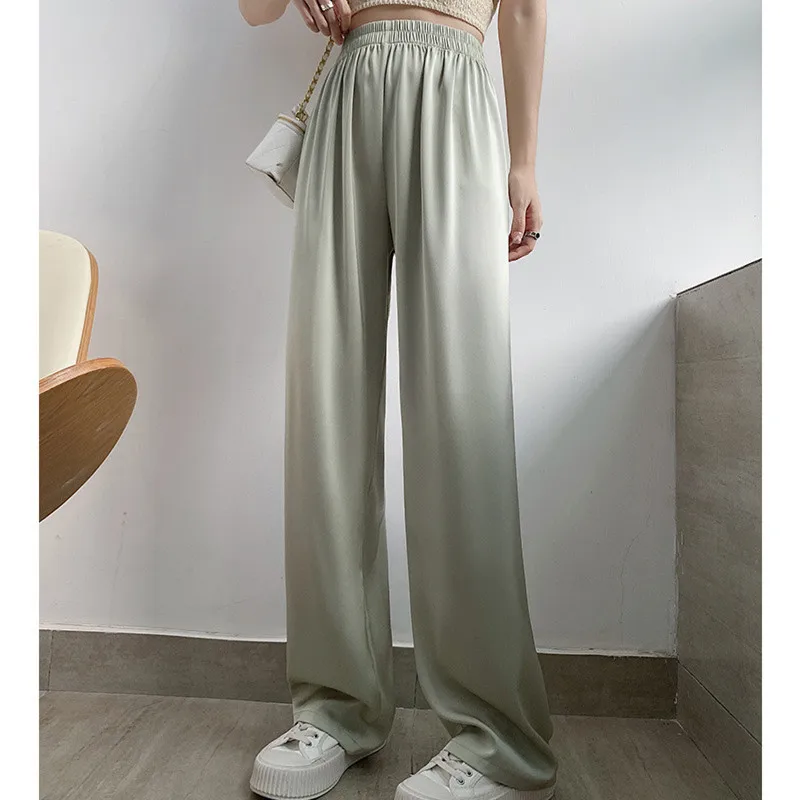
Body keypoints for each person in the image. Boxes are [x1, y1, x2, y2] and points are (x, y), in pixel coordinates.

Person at [238, 0, 556, 798]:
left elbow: (523, 8)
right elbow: (253, 11)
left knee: (462, 409)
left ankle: (496, 738)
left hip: (457, 87)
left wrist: (524, 161)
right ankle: (335, 707)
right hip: (350, 90)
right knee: (327, 404)